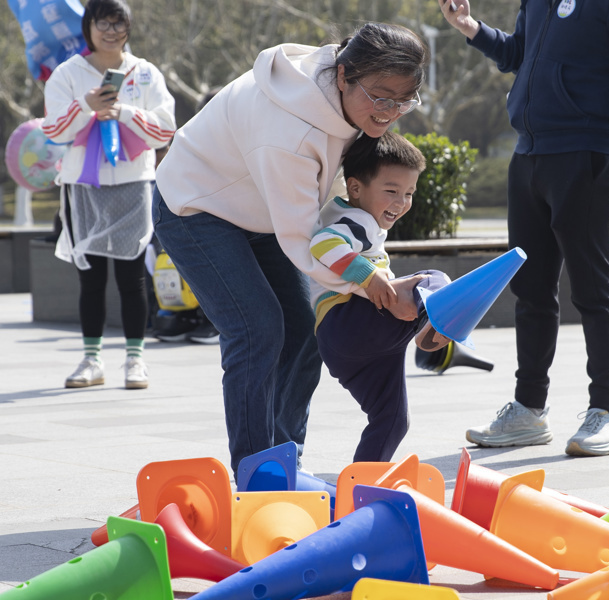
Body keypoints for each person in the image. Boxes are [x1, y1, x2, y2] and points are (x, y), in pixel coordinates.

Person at [152, 22, 429, 477]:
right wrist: (369, 281)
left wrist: (381, 276)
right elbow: (304, 241)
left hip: (263, 206)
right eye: (381, 96)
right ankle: (256, 474)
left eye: (404, 100)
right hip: (196, 205)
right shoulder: (290, 132)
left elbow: (342, 205)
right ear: (343, 75)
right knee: (257, 328)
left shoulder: (347, 96)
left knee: (302, 325)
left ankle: (286, 459)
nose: (391, 111)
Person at [438, 0, 609, 456]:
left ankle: (604, 414)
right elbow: (521, 55)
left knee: (592, 290)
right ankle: (528, 411)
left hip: (587, 154)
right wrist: (471, 28)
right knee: (530, 292)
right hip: (528, 156)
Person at [42, 0, 176, 390]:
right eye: (102, 23)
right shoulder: (69, 74)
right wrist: (87, 105)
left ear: (128, 28)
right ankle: (91, 359)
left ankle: (135, 360)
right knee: (91, 277)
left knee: (132, 277)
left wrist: (123, 112)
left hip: (134, 184)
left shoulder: (145, 73)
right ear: (88, 28)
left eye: (118, 23)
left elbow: (166, 130)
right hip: (83, 187)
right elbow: (54, 131)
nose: (111, 31)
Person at [311, 131, 451, 463]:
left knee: (392, 420)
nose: (401, 203)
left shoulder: (361, 220)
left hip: (347, 347)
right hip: (349, 321)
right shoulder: (354, 220)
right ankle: (434, 321)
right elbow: (322, 245)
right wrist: (368, 276)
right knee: (433, 279)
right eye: (391, 191)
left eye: (409, 193)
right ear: (356, 188)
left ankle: (363, 484)